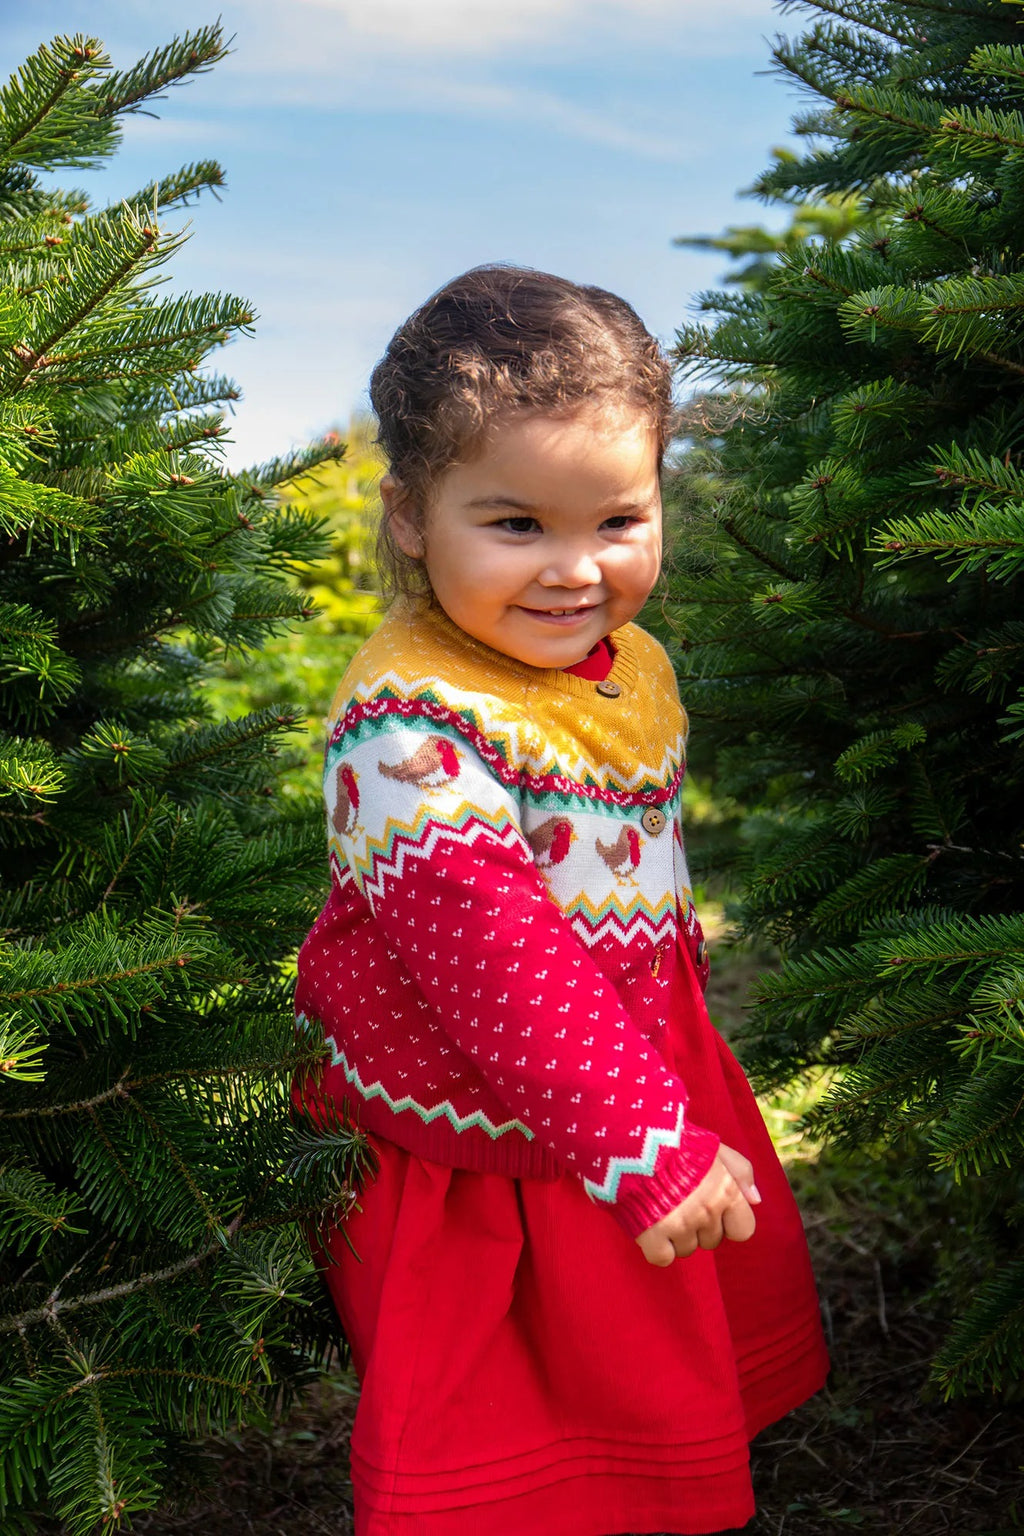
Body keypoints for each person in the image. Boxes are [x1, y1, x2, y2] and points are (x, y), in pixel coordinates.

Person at [294, 264, 829, 1536]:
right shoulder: (409, 729)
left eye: (619, 521)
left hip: (623, 1069)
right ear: (413, 516)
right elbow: (493, 959)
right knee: (521, 1403)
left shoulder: (626, 661)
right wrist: (642, 1141)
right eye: (517, 524)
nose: (575, 570)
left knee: (647, 1358)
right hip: (493, 1122)